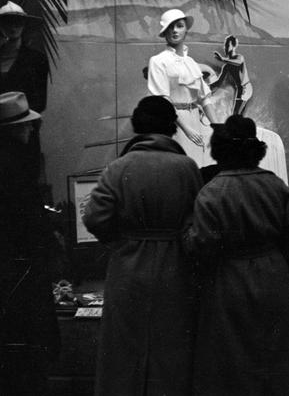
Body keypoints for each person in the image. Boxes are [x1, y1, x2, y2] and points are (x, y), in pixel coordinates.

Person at [83, 95, 203, 396]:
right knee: (171, 350)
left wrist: (121, 240)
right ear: (171, 126)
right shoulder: (187, 168)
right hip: (175, 268)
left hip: (128, 266)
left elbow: (95, 217)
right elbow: (198, 221)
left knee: (124, 352)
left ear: (138, 125)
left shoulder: (118, 167)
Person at [184, 114, 289, 395]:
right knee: (275, 357)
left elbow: (202, 245)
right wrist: (285, 272)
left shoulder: (211, 192)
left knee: (232, 360)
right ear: (256, 149)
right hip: (272, 276)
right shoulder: (276, 186)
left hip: (228, 282)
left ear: (220, 149)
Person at [0, 92, 59, 395]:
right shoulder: (18, 167)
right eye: (25, 125)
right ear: (13, 130)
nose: (30, 129)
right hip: (22, 263)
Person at [147, 8, 215, 167]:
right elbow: (163, 101)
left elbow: (205, 99)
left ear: (186, 30)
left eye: (179, 26)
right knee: (178, 166)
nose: (175, 30)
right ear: (164, 32)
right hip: (174, 123)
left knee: (197, 166)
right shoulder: (158, 61)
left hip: (195, 120)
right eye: (170, 27)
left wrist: (218, 127)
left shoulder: (191, 63)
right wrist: (187, 129)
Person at [0, 2, 48, 112]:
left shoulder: (37, 59)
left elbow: (40, 102)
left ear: (24, 25)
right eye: (8, 22)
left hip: (25, 120)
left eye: (18, 22)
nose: (13, 27)